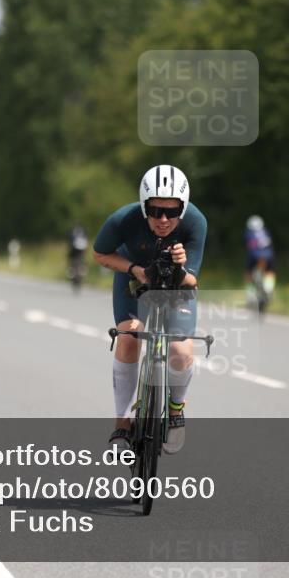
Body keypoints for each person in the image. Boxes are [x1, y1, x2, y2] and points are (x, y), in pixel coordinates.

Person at [93, 165, 207, 455]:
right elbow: (100, 253)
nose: (164, 219)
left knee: (181, 352)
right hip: (134, 278)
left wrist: (181, 268)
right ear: (144, 206)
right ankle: (122, 423)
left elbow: (193, 280)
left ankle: (176, 407)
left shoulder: (195, 222)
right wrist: (135, 269)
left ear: (184, 207)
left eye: (172, 211)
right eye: (155, 211)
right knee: (129, 338)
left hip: (177, 285)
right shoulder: (124, 219)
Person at [244, 215, 275, 300]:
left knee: (248, 272)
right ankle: (269, 288)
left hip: (254, 255)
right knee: (270, 271)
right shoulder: (265, 231)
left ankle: (250, 292)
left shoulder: (249, 232)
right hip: (269, 255)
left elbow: (248, 245)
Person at [67, 223, 88, 291]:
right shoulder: (83, 234)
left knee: (72, 262)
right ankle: (81, 271)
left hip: (74, 252)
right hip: (81, 252)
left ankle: (71, 272)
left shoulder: (73, 234)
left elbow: (70, 244)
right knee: (81, 261)